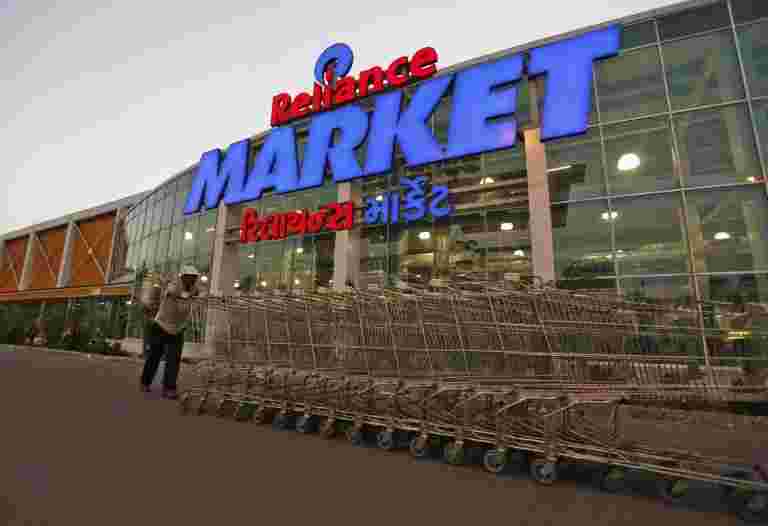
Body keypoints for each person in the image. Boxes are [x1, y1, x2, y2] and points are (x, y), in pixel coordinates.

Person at [139, 265, 200, 399]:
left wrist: (200, 295)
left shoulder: (194, 288)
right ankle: (145, 382)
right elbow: (173, 291)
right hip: (161, 326)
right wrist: (187, 295)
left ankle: (169, 388)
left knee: (174, 359)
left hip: (178, 328)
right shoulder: (174, 285)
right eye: (188, 277)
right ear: (182, 277)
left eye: (193, 278)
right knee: (154, 356)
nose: (191, 280)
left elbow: (199, 294)